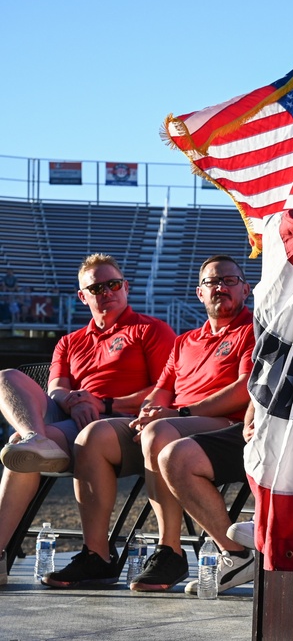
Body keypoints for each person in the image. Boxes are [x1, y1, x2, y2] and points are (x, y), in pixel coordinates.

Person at [40, 255, 255, 590]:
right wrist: (149, 411)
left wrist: (179, 413)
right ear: (200, 293)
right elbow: (162, 390)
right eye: (212, 282)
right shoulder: (185, 341)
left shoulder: (251, 330)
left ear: (246, 289)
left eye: (229, 281)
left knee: (158, 430)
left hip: (223, 425)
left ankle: (170, 550)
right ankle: (97, 556)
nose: (220, 287)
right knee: (92, 436)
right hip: (176, 423)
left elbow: (245, 389)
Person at [0, 254, 176, 585]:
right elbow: (56, 388)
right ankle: (35, 439)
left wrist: (102, 402)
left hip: (125, 425)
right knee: (7, 381)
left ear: (126, 287)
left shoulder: (151, 330)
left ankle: (36, 443)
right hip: (73, 421)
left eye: (113, 284)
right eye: (96, 287)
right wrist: (73, 399)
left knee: (26, 446)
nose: (106, 291)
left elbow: (166, 389)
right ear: (83, 296)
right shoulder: (69, 341)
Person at [159, 403, 258, 595]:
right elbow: (258, 388)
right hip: (264, 429)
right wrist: (249, 425)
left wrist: (181, 412)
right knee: (177, 457)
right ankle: (236, 556)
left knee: (158, 432)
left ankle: (276, 531)